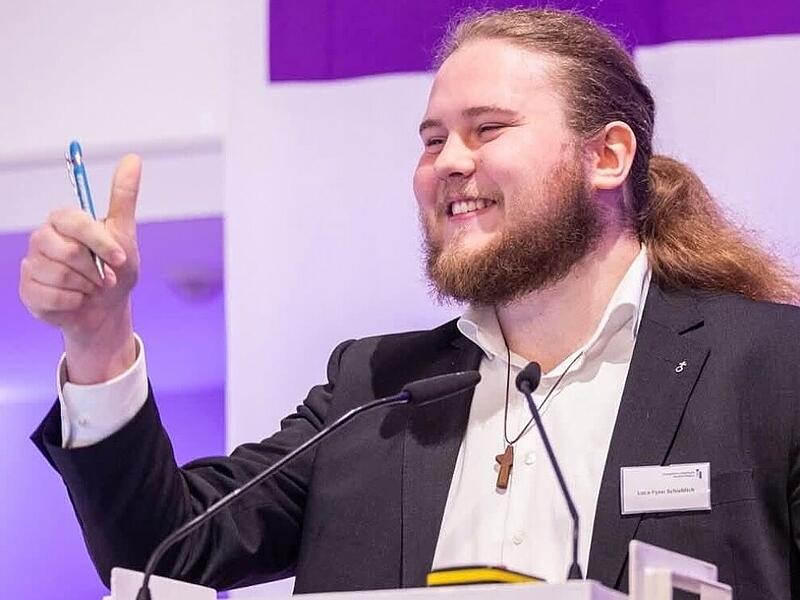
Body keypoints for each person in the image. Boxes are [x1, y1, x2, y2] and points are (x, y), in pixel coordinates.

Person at [21, 7, 800, 599]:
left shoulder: (772, 369)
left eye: (487, 129)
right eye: (432, 140)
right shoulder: (376, 389)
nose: (449, 163)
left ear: (607, 156)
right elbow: (163, 551)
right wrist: (98, 338)